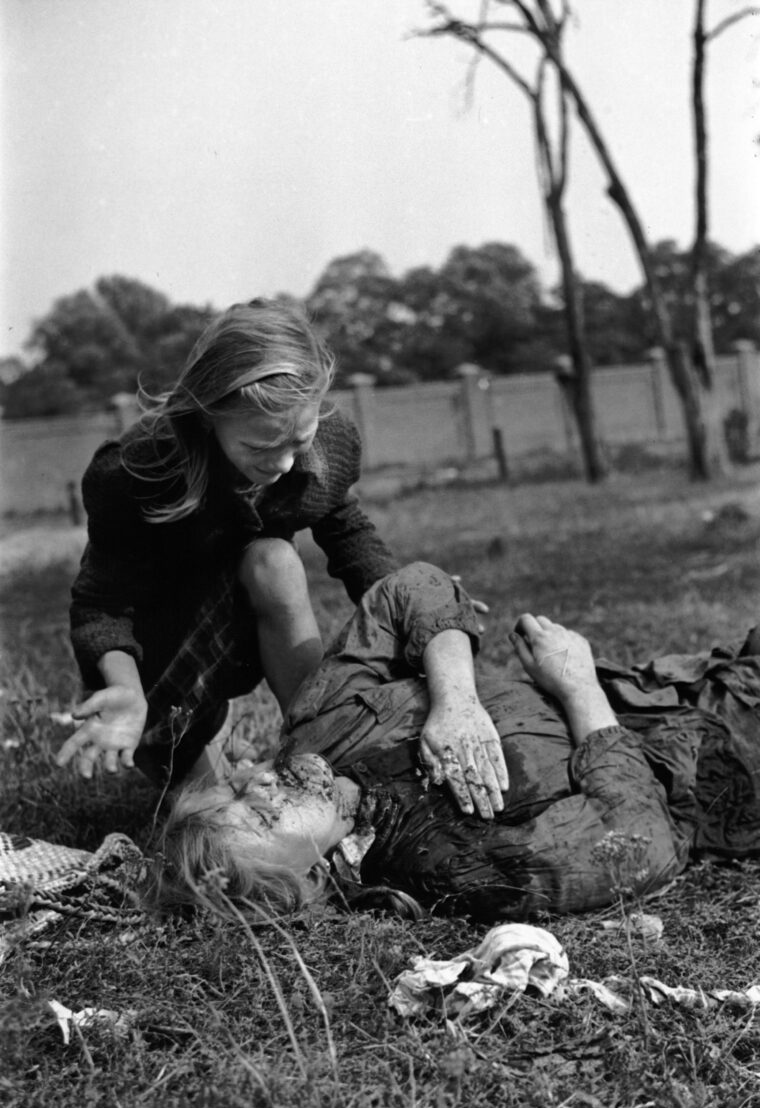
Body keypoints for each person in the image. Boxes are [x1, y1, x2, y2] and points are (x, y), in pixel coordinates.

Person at [152, 562, 760, 921]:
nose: (263, 781)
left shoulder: (322, 725)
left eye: (239, 788)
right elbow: (640, 844)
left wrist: (456, 699)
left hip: (684, 677)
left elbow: (411, 589)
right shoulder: (450, 868)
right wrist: (578, 689)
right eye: (263, 816)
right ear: (303, 881)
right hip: (731, 756)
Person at [57, 298, 405, 788]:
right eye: (260, 446)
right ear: (207, 415)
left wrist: (406, 600)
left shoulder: (330, 444)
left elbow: (345, 526)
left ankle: (319, 742)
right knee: (211, 817)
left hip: (237, 641)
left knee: (274, 560)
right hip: (162, 660)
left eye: (299, 441)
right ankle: (193, 742)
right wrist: (127, 691)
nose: (283, 464)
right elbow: (101, 606)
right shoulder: (136, 473)